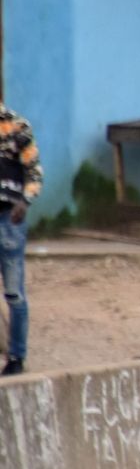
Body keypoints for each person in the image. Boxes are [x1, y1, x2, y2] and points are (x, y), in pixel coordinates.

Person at [0, 103, 39, 376]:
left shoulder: (17, 127)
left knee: (14, 293)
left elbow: (34, 172)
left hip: (8, 218)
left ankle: (16, 356)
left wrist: (24, 201)